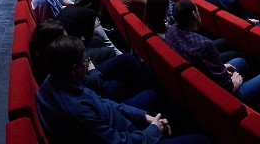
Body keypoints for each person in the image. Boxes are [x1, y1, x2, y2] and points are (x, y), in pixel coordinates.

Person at [36, 35, 208, 144]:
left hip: (116, 120)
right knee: (202, 139)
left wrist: (144, 117)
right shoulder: (77, 112)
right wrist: (153, 130)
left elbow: (103, 102)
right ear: (73, 68)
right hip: (127, 134)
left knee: (153, 95)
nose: (88, 64)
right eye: (85, 61)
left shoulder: (54, 79)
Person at [165, 0, 260, 116]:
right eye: (198, 11)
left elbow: (197, 63)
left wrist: (222, 67)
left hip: (198, 81)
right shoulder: (204, 45)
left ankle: (254, 100)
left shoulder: (171, 30)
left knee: (240, 61)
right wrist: (235, 83)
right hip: (219, 95)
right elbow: (228, 87)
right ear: (193, 15)